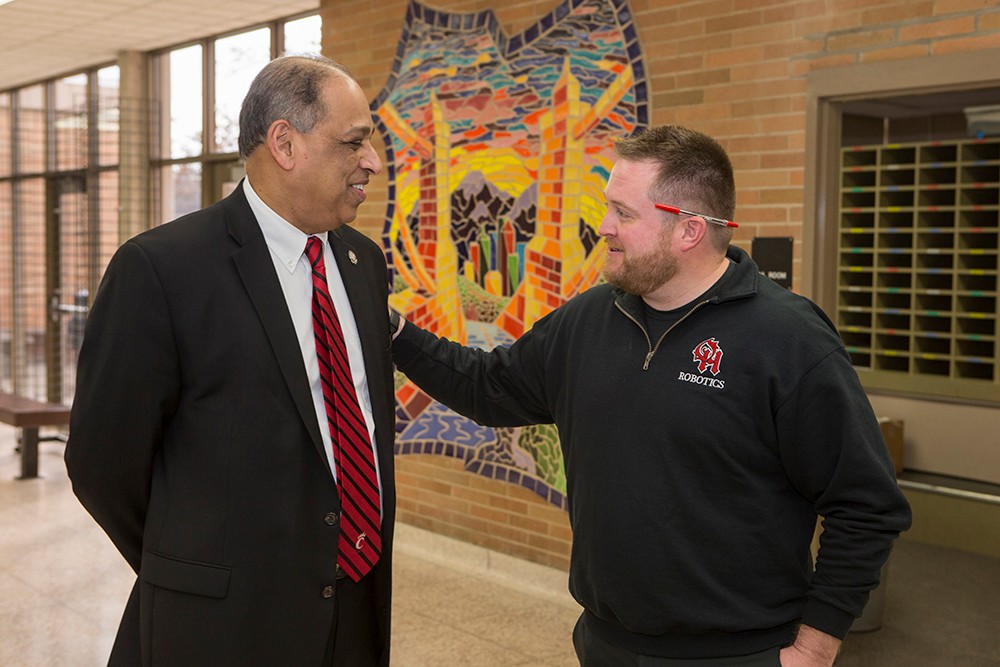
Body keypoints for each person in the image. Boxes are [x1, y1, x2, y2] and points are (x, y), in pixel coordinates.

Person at [389, 125, 912, 666]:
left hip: (740, 653)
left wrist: (814, 648)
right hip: (606, 643)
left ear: (688, 231)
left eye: (625, 213)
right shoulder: (589, 319)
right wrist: (394, 333)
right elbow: (487, 388)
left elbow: (866, 504)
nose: (604, 227)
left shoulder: (788, 339)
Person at [66, 54, 397, 666]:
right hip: (225, 626)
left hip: (355, 613)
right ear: (284, 143)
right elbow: (102, 463)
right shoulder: (163, 270)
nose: (372, 162)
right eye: (354, 143)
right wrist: (190, 565)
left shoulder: (364, 264)